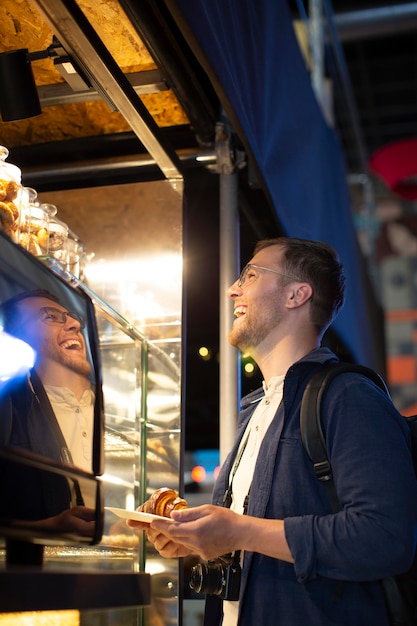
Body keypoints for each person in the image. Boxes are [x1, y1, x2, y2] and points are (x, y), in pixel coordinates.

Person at [128, 237, 417, 626]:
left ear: (297, 295)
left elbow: (384, 537)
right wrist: (196, 542)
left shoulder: (349, 396)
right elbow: (252, 548)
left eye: (249, 274)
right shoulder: (255, 410)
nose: (233, 289)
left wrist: (241, 532)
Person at [0, 288, 96, 535]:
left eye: (72, 317)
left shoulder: (119, 412)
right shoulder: (8, 411)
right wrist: (50, 527)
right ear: (18, 339)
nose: (74, 324)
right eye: (51, 317)